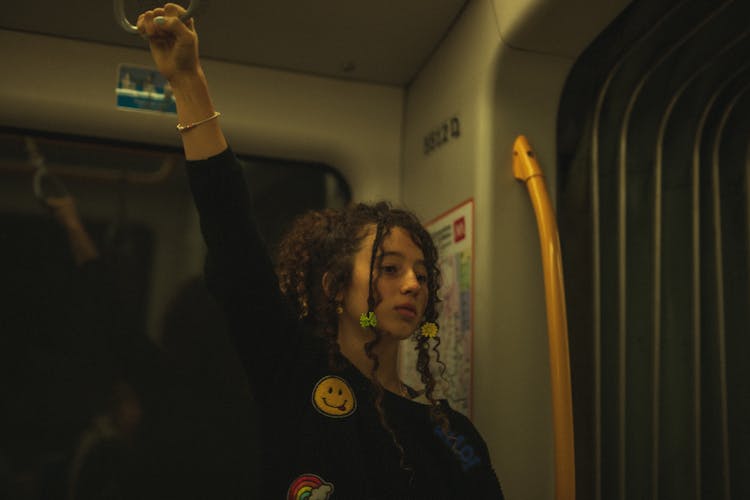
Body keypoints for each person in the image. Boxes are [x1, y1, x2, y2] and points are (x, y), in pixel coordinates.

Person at [137, 4, 504, 499]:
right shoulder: (293, 371)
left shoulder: (453, 434)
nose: (413, 284)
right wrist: (188, 82)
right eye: (390, 268)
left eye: (422, 272)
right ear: (335, 286)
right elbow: (234, 242)